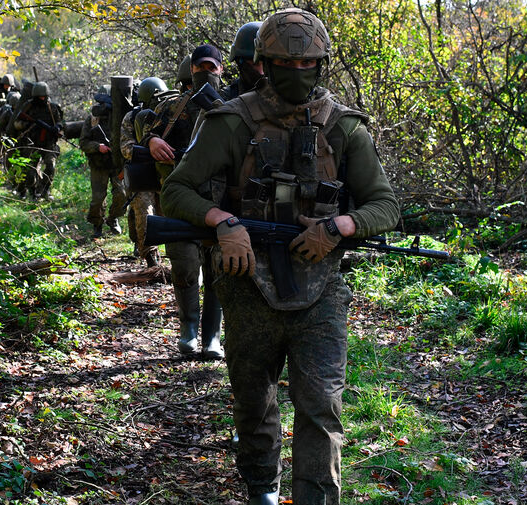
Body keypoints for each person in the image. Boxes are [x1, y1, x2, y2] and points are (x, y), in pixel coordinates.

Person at [161, 8, 400, 504]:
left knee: (320, 407)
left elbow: (386, 204)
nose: (297, 74)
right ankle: (261, 487)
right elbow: (177, 191)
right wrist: (223, 223)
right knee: (254, 399)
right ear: (261, 64)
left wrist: (341, 225)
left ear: (322, 65)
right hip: (245, 281)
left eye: (307, 65)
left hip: (322, 287)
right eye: (284, 66)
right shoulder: (230, 122)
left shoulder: (344, 128)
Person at [141, 47, 225, 360]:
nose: (206, 71)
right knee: (186, 268)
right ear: (190, 69)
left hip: (220, 202)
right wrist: (153, 141)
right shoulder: (173, 106)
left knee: (218, 270)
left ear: (220, 68)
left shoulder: (231, 103)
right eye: (199, 67)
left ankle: (212, 337)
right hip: (178, 201)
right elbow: (146, 132)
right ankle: (189, 329)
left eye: (211, 66)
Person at [120, 76, 172, 266]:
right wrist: (148, 150)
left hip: (164, 173)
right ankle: (151, 258)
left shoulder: (169, 113)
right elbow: (126, 147)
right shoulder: (132, 117)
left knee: (166, 213)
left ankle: (174, 253)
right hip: (141, 175)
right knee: (145, 214)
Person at [80, 85, 125, 237]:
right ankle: (97, 224)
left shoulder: (120, 118)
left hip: (117, 163)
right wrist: (97, 147)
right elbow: (83, 143)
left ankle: (113, 219)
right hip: (99, 164)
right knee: (98, 199)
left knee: (122, 194)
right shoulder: (92, 120)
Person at [11, 81, 64, 200]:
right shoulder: (28, 106)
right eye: (40, 97)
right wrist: (28, 124)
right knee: (30, 171)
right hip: (32, 142)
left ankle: (45, 190)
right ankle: (33, 192)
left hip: (49, 142)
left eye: (44, 96)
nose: (42, 98)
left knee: (50, 166)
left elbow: (60, 121)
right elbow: (16, 123)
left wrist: (57, 127)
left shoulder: (53, 107)